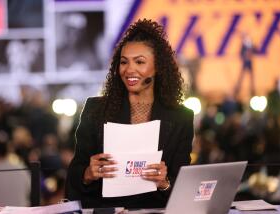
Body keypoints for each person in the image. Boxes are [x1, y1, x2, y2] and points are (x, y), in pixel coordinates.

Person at [65, 19, 194, 208]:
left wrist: (164, 183)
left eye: (139, 62)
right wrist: (87, 173)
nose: (129, 69)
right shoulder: (95, 109)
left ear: (157, 67)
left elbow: (182, 188)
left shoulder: (181, 117)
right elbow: (74, 174)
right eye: (124, 62)